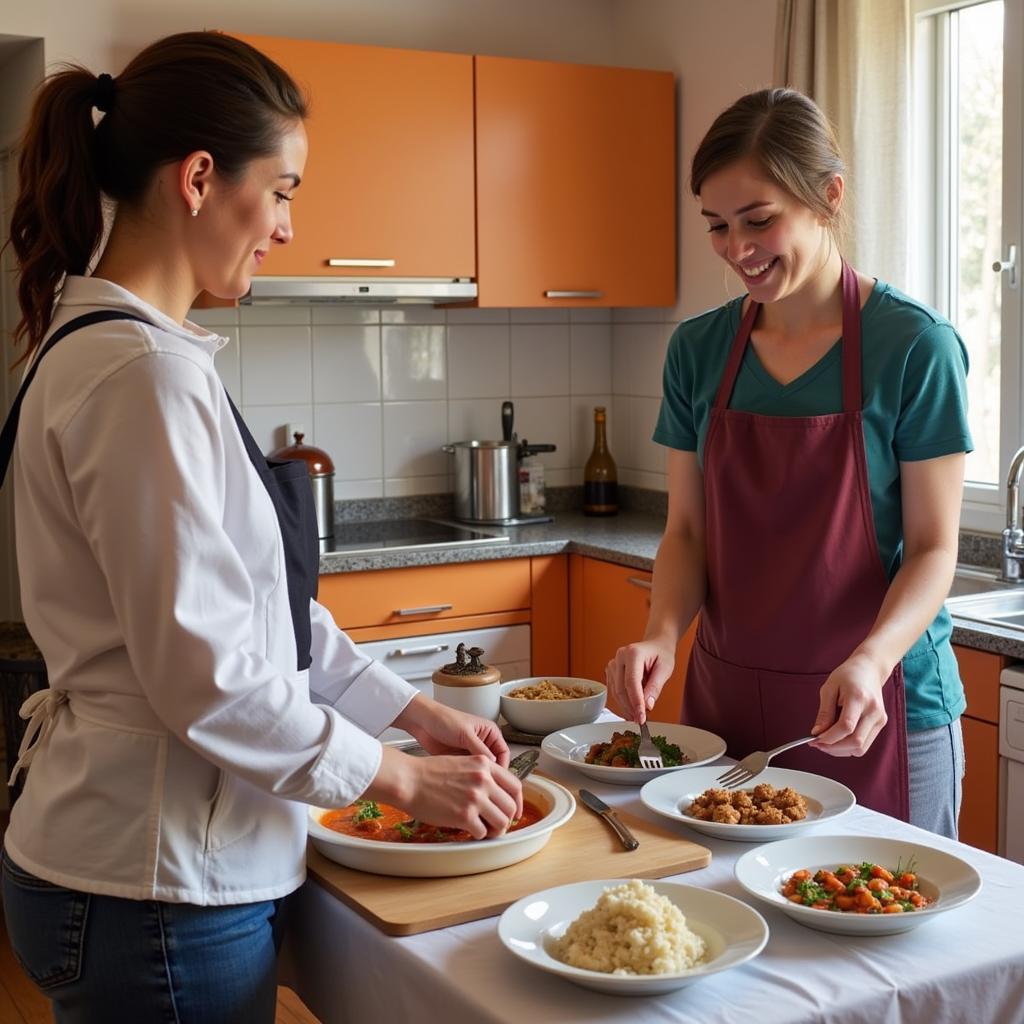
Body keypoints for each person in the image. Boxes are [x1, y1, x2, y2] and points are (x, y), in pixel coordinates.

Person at [0, 31, 522, 1022]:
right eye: (281, 191)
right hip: (153, 879)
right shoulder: (138, 377)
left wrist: (413, 712)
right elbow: (210, 675)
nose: (286, 225)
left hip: (134, 869)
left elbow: (260, 614)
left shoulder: (136, 354)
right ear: (199, 178)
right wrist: (403, 777)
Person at [606, 88, 970, 839]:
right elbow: (686, 532)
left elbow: (935, 550)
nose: (737, 249)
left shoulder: (915, 347)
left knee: (885, 928)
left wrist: (870, 660)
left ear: (827, 197)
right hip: (727, 704)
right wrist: (659, 633)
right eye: (717, 226)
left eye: (759, 220)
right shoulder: (698, 351)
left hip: (873, 702)